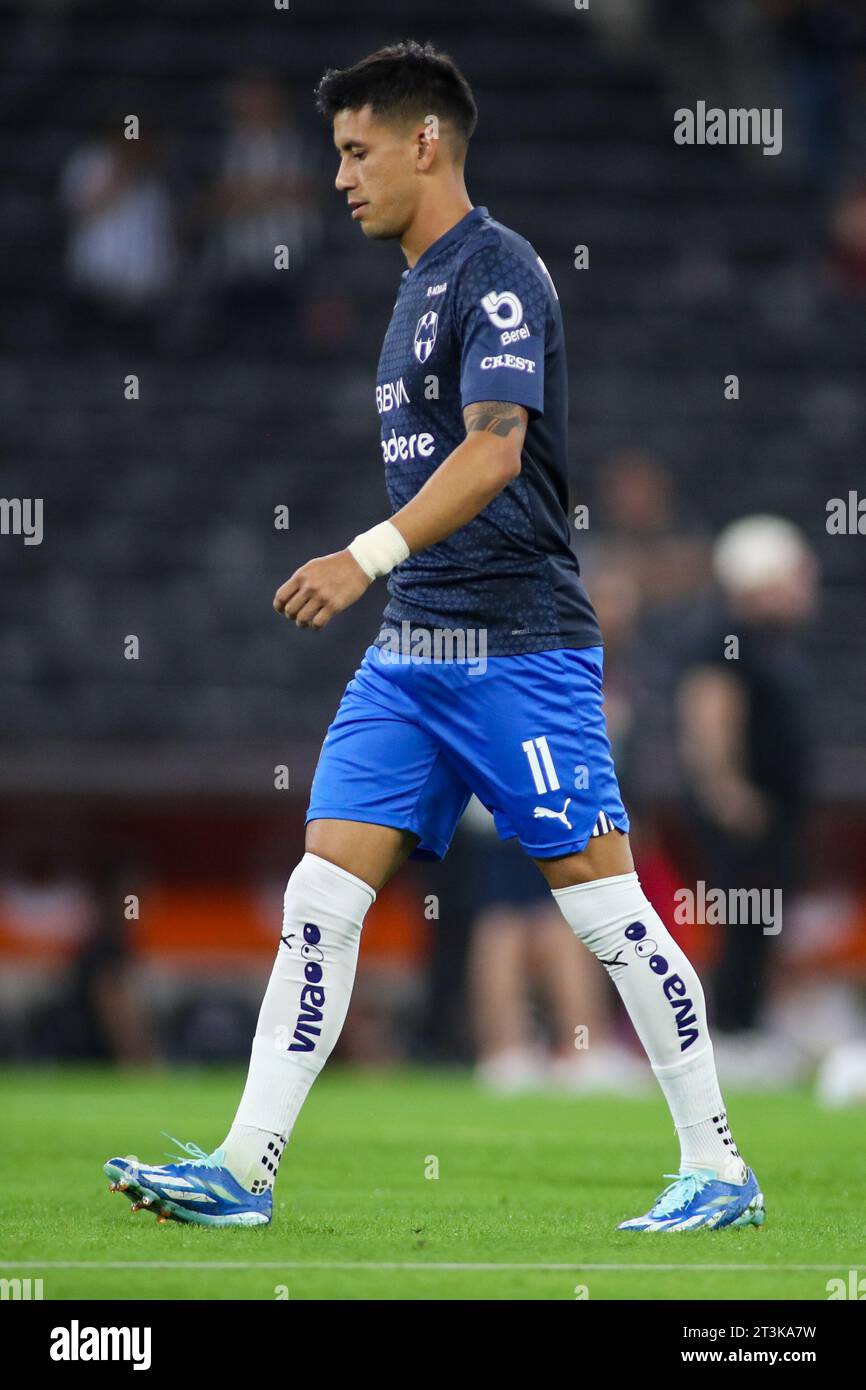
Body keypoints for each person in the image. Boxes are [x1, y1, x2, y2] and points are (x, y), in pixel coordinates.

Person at [104, 42, 763, 1233]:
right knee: (320, 895)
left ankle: (717, 1165)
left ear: (425, 143)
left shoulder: (496, 271)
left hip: (519, 646)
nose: (340, 177)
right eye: (334, 155)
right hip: (415, 652)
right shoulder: (410, 287)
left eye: (356, 151)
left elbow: (495, 448)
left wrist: (362, 555)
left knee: (605, 912)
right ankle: (244, 1169)